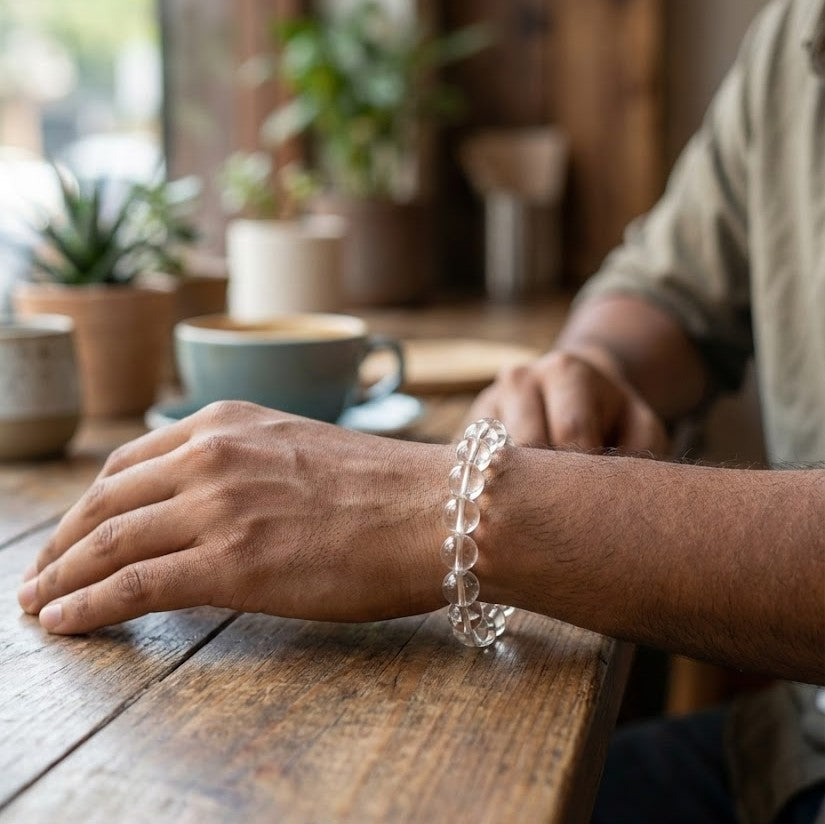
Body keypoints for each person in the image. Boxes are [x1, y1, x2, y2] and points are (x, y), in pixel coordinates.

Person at [15, 0, 825, 820]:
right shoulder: (789, 37)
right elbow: (667, 292)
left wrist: (454, 506)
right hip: (783, 749)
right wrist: (589, 365)